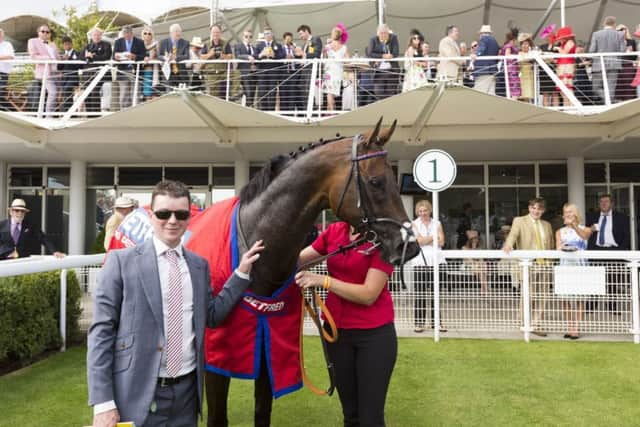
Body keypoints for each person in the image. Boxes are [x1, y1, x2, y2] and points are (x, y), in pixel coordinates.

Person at [87, 180, 264, 427]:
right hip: (136, 394)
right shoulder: (120, 262)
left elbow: (211, 316)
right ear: (151, 216)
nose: (172, 220)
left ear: (188, 217)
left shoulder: (199, 266)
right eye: (163, 213)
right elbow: (101, 334)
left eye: (180, 214)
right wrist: (103, 403)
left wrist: (241, 274)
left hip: (186, 397)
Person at [296, 221, 396, 427]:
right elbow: (298, 260)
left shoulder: (383, 239)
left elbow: (369, 294)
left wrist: (324, 281)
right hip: (337, 333)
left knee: (371, 419)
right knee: (350, 415)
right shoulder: (335, 230)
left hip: (374, 336)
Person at [502, 197, 554, 337]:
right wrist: (508, 244)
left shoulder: (547, 225)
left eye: (539, 208)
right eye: (534, 208)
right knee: (528, 295)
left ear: (543, 210)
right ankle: (524, 322)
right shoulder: (519, 221)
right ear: (529, 208)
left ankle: (536, 324)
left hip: (545, 264)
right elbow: (513, 235)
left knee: (543, 296)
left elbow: (551, 245)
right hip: (528, 264)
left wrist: (551, 262)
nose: (536, 211)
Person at [585, 194, 630, 314]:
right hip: (596, 251)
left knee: (613, 281)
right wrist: (590, 229)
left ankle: (612, 307)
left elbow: (626, 236)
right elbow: (584, 233)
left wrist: (621, 251)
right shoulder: (591, 216)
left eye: (606, 201)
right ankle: (591, 306)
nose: (603, 204)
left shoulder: (622, 217)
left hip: (613, 251)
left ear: (612, 204)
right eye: (601, 202)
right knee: (594, 280)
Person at [555, 203, 592, 340]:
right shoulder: (559, 231)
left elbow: (584, 237)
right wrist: (561, 247)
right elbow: (558, 247)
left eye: (570, 211)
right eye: (565, 212)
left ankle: (576, 328)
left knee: (580, 299)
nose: (568, 214)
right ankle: (569, 327)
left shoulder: (586, 229)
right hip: (564, 267)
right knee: (564, 299)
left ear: (575, 213)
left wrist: (574, 225)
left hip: (581, 268)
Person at [411, 200, 446, 333]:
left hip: (437, 262)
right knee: (420, 293)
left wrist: (427, 239)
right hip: (420, 262)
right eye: (420, 211)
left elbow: (442, 242)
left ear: (429, 210)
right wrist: (433, 237)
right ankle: (419, 323)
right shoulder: (414, 224)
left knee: (436, 294)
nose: (423, 213)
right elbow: (418, 241)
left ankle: (436, 323)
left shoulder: (437, 223)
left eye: (425, 210)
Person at [0, 198, 65, 259]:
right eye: (17, 210)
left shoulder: (30, 225)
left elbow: (43, 238)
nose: (20, 213)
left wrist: (54, 251)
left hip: (23, 261)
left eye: (22, 211)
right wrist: (7, 251)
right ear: (11, 212)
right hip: (4, 261)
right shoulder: (1, 225)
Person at [589, 16, 627, 104]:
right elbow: (622, 50)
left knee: (596, 88)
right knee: (611, 88)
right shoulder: (620, 34)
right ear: (614, 24)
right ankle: (610, 100)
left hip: (598, 65)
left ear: (604, 23)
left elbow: (592, 51)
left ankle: (609, 100)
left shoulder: (596, 34)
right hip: (614, 64)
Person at [112, 25, 146, 110]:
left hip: (136, 70)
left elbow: (144, 55)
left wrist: (134, 57)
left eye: (128, 33)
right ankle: (124, 112)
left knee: (135, 93)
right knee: (124, 94)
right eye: (124, 34)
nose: (126, 35)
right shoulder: (118, 42)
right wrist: (116, 57)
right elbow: (113, 57)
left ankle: (136, 112)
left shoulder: (140, 42)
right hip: (123, 70)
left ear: (131, 33)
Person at [27, 24, 59, 114]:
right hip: (44, 72)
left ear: (49, 34)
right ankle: (48, 115)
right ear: (38, 33)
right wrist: (48, 58)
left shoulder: (53, 44)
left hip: (56, 72)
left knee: (59, 94)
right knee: (53, 92)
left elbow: (57, 57)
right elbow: (33, 56)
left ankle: (54, 114)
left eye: (47, 32)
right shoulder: (33, 41)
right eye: (43, 31)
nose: (45, 33)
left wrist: (65, 57)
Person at [82, 28, 112, 113]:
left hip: (100, 73)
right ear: (91, 36)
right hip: (88, 74)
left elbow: (106, 56)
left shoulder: (107, 45)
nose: (96, 37)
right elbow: (80, 56)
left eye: (98, 35)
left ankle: (95, 114)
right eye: (95, 35)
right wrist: (86, 55)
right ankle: (89, 115)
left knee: (95, 93)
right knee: (87, 94)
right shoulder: (87, 46)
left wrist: (93, 57)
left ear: (101, 35)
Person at [255, 26, 285, 110]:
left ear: (272, 34)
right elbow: (254, 55)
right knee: (262, 92)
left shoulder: (277, 45)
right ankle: (264, 112)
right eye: (265, 34)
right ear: (263, 35)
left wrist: (274, 55)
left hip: (273, 73)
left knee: (272, 93)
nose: (267, 35)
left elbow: (282, 56)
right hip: (262, 72)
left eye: (269, 33)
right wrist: (261, 55)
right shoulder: (259, 45)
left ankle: (271, 111)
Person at [200, 24, 233, 98]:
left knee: (224, 95)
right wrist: (210, 54)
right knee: (213, 96)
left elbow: (230, 56)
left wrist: (223, 56)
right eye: (214, 32)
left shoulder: (226, 43)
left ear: (220, 33)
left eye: (217, 32)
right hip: (211, 74)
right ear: (211, 33)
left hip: (223, 74)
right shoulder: (207, 44)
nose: (215, 34)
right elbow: (202, 57)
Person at [369, 23, 400, 100]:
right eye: (381, 33)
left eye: (385, 33)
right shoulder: (373, 40)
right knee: (379, 93)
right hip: (379, 72)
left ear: (388, 32)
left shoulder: (393, 38)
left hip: (392, 71)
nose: (383, 35)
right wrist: (382, 56)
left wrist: (391, 56)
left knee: (391, 94)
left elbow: (396, 52)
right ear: (378, 33)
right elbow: (370, 53)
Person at [323, 24, 349, 111]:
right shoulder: (344, 47)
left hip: (328, 71)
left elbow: (324, 58)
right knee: (333, 92)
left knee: (329, 92)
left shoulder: (327, 47)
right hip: (338, 71)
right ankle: (330, 110)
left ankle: (331, 111)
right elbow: (347, 60)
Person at [296, 24, 323, 110]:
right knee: (303, 91)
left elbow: (316, 54)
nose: (300, 36)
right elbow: (305, 56)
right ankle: (306, 111)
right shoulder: (304, 45)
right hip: (304, 70)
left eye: (301, 34)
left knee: (309, 91)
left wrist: (303, 54)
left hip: (311, 69)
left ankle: (312, 112)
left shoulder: (315, 39)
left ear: (306, 31)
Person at [158, 24, 190, 92]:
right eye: (176, 31)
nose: (178, 33)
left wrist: (174, 57)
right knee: (170, 96)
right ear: (171, 33)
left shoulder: (185, 43)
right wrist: (165, 57)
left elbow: (187, 56)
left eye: (179, 31)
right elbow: (158, 56)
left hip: (181, 74)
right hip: (168, 74)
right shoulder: (163, 42)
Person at [472, 25, 500, 95]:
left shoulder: (484, 39)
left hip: (483, 70)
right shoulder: (495, 42)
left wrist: (476, 54)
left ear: (482, 33)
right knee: (491, 93)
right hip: (492, 70)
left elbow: (482, 48)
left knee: (480, 93)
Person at [552, 26, 576, 106]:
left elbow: (564, 53)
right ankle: (567, 106)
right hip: (562, 67)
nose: (560, 39)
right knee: (563, 90)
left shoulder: (570, 42)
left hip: (567, 67)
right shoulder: (565, 43)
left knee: (567, 89)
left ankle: (571, 106)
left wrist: (558, 49)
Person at [235, 28, 258, 108]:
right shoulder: (238, 46)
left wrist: (255, 65)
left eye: (250, 36)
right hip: (244, 74)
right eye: (246, 36)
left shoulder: (254, 48)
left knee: (252, 94)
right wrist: (248, 57)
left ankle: (249, 109)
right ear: (243, 37)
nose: (248, 38)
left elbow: (257, 58)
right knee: (248, 93)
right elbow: (238, 56)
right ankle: (247, 109)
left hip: (254, 74)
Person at [58, 36, 81, 113]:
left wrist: (69, 59)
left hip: (73, 77)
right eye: (64, 44)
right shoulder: (62, 54)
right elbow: (59, 68)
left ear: (71, 44)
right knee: (65, 93)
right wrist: (61, 61)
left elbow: (79, 66)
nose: (66, 46)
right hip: (64, 77)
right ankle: (69, 112)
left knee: (66, 90)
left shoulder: (77, 53)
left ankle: (67, 112)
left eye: (68, 44)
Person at [614, 24, 637, 101]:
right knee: (619, 86)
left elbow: (635, 57)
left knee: (629, 86)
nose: (622, 31)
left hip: (628, 66)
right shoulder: (614, 42)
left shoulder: (631, 41)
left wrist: (630, 52)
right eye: (620, 30)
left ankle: (629, 101)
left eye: (624, 29)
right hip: (618, 66)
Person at [499, 28, 521, 99]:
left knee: (513, 86)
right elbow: (507, 56)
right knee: (514, 85)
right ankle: (513, 99)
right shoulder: (509, 45)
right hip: (511, 68)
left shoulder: (507, 45)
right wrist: (517, 57)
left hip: (511, 68)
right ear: (515, 38)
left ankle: (513, 98)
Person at [140, 26, 159, 101]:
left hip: (150, 70)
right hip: (139, 70)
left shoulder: (155, 44)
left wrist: (151, 58)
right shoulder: (139, 44)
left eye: (149, 33)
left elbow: (159, 55)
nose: (147, 35)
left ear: (152, 35)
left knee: (148, 91)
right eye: (145, 33)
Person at [0, 28, 15, 111]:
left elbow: (10, 56)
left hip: (3, 73)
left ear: (3, 35)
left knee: (1, 94)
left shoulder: (7, 44)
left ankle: (13, 111)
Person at [517, 34, 535, 103]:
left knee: (528, 93)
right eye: (523, 44)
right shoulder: (519, 53)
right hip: (521, 74)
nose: (524, 46)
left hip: (529, 74)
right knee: (521, 94)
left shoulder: (531, 53)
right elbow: (518, 63)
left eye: (526, 44)